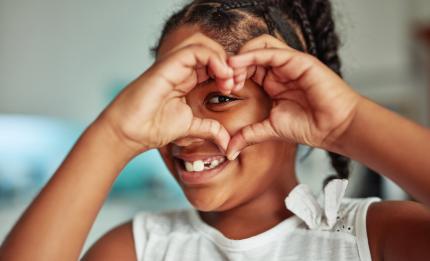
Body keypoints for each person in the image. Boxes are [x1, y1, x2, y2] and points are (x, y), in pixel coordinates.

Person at [1, 0, 430, 260]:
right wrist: (114, 135)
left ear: (291, 100)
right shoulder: (137, 249)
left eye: (221, 98)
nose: (184, 133)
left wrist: (349, 123)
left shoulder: (376, 238)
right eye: (172, 100)